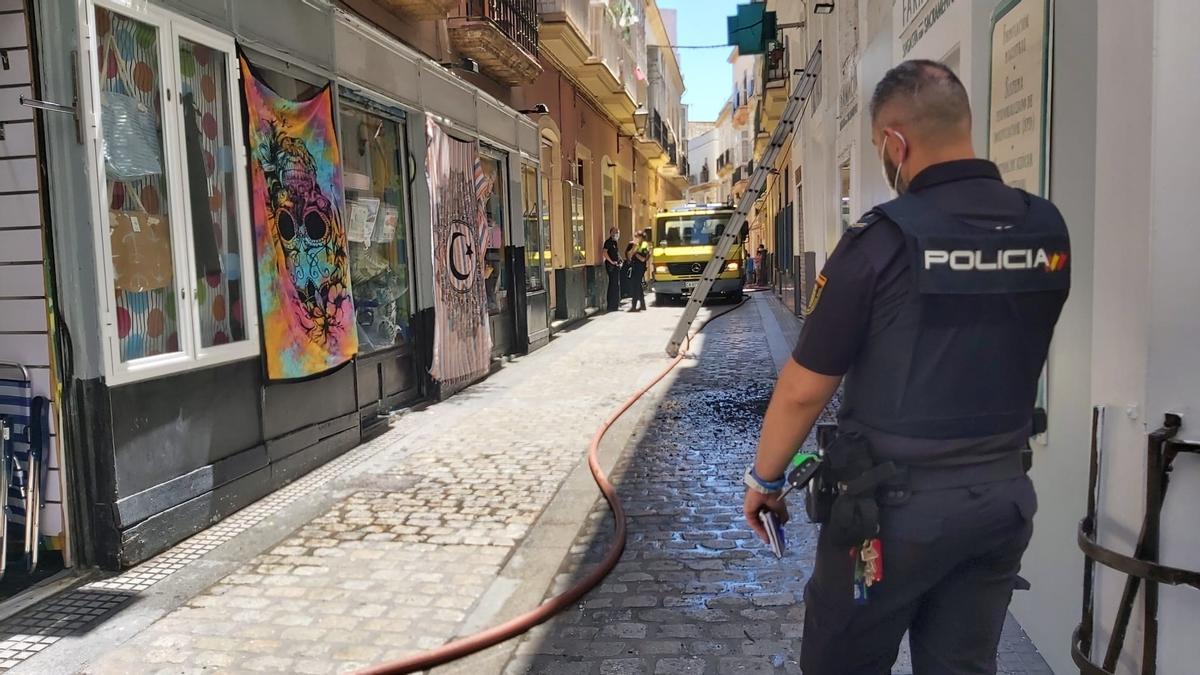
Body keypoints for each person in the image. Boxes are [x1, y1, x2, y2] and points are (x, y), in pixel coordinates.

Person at [742, 60, 1070, 674]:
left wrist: (765, 481)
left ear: (895, 143)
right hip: (1000, 503)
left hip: (889, 515)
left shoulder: (880, 243)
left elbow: (802, 391)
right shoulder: (1045, 229)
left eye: (877, 149)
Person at [627, 231, 649, 312]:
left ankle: (634, 306)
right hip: (635, 268)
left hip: (640, 268)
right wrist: (633, 249)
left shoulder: (644, 245)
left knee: (636, 287)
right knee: (638, 287)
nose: (635, 238)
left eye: (637, 237)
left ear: (641, 237)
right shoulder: (637, 245)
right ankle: (643, 305)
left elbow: (643, 259)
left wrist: (635, 253)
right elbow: (629, 255)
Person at [602, 227, 622, 312]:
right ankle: (611, 305)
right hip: (611, 266)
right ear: (611, 233)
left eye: (618, 232)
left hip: (616, 265)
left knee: (616, 285)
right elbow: (604, 252)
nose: (617, 234)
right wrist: (612, 262)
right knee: (613, 284)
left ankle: (616, 304)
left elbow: (616, 253)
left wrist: (620, 260)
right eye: (615, 232)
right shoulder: (608, 242)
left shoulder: (615, 242)